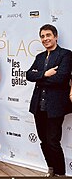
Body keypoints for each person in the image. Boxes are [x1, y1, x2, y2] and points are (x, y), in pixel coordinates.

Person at [26, 24, 72, 177]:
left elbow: (61, 78)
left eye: (48, 35)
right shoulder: (39, 57)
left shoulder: (66, 55)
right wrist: (45, 74)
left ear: (55, 36)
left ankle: (60, 174)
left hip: (55, 106)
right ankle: (51, 168)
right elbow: (28, 75)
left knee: (53, 142)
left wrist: (39, 78)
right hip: (38, 106)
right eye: (42, 36)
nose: (45, 39)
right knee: (43, 141)